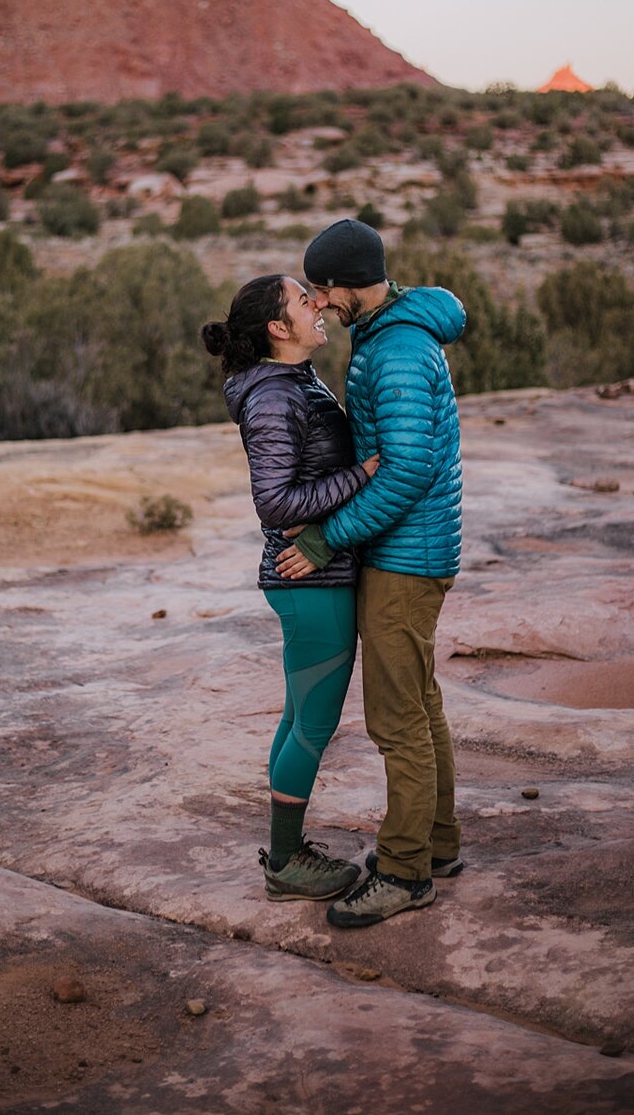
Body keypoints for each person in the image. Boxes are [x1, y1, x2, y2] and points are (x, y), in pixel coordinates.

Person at [276, 219, 466, 929]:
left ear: (354, 284)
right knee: (421, 703)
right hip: (409, 550)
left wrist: (331, 537)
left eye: (324, 290)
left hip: (405, 557)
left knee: (396, 721)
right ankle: (438, 845)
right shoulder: (387, 332)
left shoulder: (399, 352)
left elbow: (410, 467)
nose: (319, 303)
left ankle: (406, 872)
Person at [202, 273, 379, 903]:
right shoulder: (274, 397)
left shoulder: (292, 381)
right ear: (279, 328)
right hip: (310, 577)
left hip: (313, 576)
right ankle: (285, 862)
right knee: (313, 725)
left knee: (299, 715)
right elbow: (275, 502)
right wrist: (363, 474)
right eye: (304, 301)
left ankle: (286, 849)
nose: (318, 304)